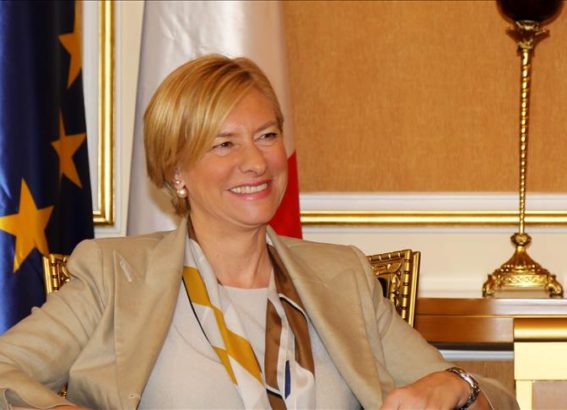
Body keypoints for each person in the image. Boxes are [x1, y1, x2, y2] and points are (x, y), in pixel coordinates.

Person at [0, 54, 518, 410]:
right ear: (177, 172)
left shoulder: (343, 276)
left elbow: (492, 397)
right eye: (224, 144)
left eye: (267, 135)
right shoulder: (116, 274)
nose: (256, 161)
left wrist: (456, 384)